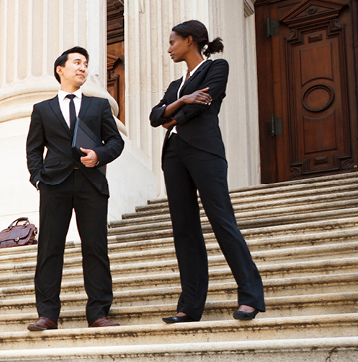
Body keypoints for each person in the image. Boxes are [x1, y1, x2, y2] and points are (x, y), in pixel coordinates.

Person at [149, 20, 265, 323]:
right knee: (184, 229)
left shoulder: (217, 67)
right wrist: (184, 99)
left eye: (173, 42)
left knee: (222, 219)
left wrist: (173, 113)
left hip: (204, 151)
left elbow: (201, 106)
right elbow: (153, 117)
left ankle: (250, 296)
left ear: (189, 41)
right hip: (173, 155)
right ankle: (189, 306)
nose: (169, 48)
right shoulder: (177, 86)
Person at [26, 46, 124, 330]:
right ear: (61, 69)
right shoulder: (42, 109)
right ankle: (47, 314)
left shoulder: (99, 106)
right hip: (54, 184)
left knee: (95, 247)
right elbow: (33, 148)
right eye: (77, 63)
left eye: (86, 64)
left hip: (90, 183)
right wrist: (37, 178)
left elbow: (115, 142)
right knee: (49, 249)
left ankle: (98, 313)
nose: (82, 68)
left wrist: (99, 156)